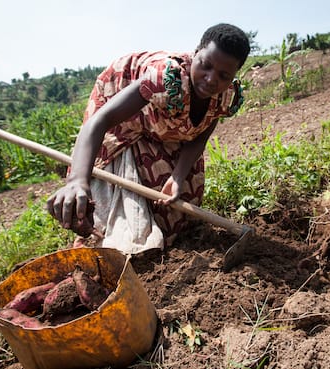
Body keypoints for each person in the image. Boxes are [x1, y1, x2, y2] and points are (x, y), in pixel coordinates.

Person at [46, 23, 250, 255]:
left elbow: (201, 131)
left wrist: (178, 175)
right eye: (205, 65)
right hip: (121, 97)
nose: (211, 79)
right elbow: (100, 121)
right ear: (196, 53)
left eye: (223, 75)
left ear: (234, 75)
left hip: (162, 115)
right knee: (129, 215)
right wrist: (76, 181)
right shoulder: (164, 78)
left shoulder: (226, 95)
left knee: (177, 208)